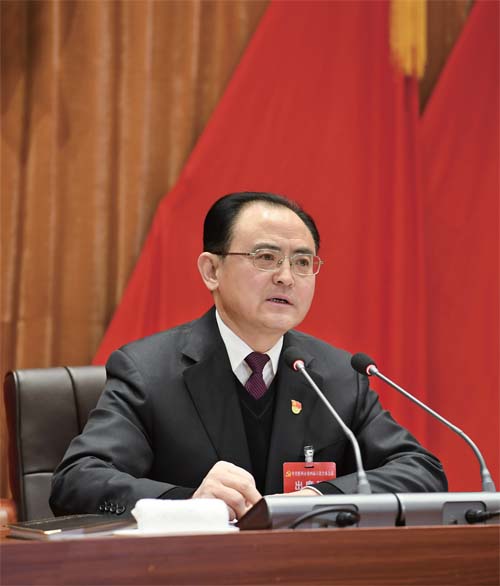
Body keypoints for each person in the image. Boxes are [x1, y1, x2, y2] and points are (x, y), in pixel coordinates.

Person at [50, 192, 447, 520]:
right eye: (265, 257)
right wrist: (189, 503)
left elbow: (421, 472)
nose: (286, 277)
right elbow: (77, 481)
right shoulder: (149, 372)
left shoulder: (338, 375)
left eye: (302, 262)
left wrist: (320, 497)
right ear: (212, 271)